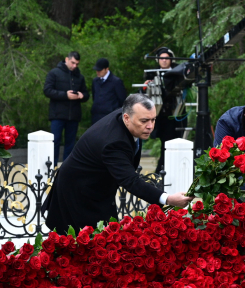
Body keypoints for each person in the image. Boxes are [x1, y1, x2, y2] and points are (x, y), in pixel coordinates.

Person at [45, 94, 193, 233]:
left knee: (106, 242)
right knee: (83, 247)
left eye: (153, 119)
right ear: (127, 118)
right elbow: (130, 181)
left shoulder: (127, 120)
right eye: (144, 121)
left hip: (96, 190)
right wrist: (168, 198)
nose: (150, 126)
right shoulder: (114, 143)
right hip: (77, 194)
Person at [143, 47, 187, 173]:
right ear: (157, 60)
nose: (164, 60)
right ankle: (162, 171)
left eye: (166, 58)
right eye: (161, 58)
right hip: (162, 116)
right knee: (166, 145)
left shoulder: (178, 71)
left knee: (178, 143)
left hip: (178, 115)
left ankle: (172, 170)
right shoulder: (152, 74)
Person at [43, 51, 89, 163]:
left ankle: (67, 168)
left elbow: (86, 94)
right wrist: (65, 95)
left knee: (70, 144)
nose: (74, 66)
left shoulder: (80, 77)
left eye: (77, 64)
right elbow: (47, 91)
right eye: (73, 63)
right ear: (66, 59)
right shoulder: (54, 73)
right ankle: (51, 168)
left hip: (73, 116)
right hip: (57, 115)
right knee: (55, 142)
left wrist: (81, 96)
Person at [90, 58, 127, 125]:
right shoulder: (95, 81)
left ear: (106, 69)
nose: (98, 72)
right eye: (97, 70)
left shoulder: (116, 82)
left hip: (110, 117)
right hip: (96, 116)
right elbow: (94, 96)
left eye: (100, 70)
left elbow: (122, 100)